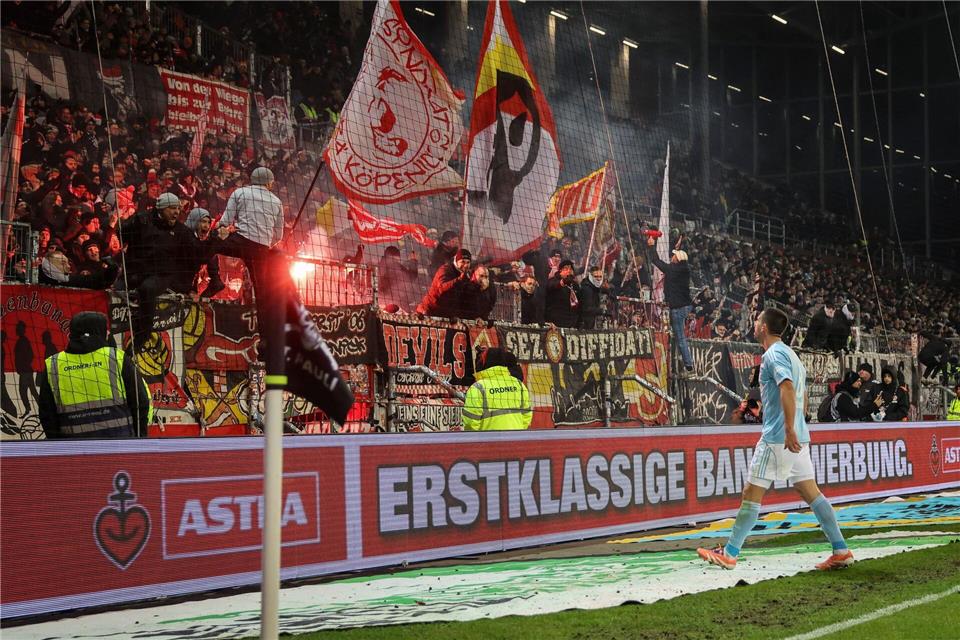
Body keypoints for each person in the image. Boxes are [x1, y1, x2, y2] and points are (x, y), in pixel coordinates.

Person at [698, 308, 854, 571]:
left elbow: (787, 388)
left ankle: (730, 552)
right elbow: (801, 395)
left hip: (778, 437)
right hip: (797, 437)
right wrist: (796, 427)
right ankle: (840, 550)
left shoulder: (773, 354)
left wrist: (788, 429)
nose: (754, 323)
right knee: (810, 492)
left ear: (764, 327)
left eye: (757, 319)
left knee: (752, 493)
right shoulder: (791, 354)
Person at [37, 311, 152, 438]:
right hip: (120, 444)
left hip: (75, 447)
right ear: (100, 332)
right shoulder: (116, 357)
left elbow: (47, 415)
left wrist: (60, 445)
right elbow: (140, 402)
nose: (108, 334)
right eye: (106, 330)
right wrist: (139, 438)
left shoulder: (54, 364)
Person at [121, 192, 210, 345]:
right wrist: (130, 225)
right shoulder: (142, 220)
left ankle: (143, 335)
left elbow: (199, 254)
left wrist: (215, 240)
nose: (176, 212)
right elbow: (122, 235)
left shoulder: (181, 231)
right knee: (117, 288)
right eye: (172, 208)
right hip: (136, 271)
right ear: (161, 208)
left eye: (178, 208)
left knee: (147, 289)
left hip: (161, 275)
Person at [645, 235, 694, 372]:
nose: (671, 257)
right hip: (686, 306)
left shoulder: (673, 270)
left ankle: (688, 364)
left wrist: (651, 246)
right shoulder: (684, 269)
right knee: (677, 334)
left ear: (677, 260)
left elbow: (656, 261)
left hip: (678, 308)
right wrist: (677, 246)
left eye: (674, 256)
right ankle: (678, 358)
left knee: (680, 337)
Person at [462, 348, 532, 431]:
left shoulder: (478, 387)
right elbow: (527, 416)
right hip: (516, 437)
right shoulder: (518, 384)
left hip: (489, 438)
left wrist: (478, 437)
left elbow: (470, 423)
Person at [417, 248, 473, 319]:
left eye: (468, 262)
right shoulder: (445, 269)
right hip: (429, 311)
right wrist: (459, 280)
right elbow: (442, 288)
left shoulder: (466, 275)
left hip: (444, 313)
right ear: (456, 261)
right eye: (463, 262)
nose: (465, 265)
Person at [544, 259, 580, 328]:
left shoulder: (575, 285)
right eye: (566, 269)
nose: (569, 271)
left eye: (571, 269)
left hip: (572, 322)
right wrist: (563, 282)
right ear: (560, 270)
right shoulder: (553, 280)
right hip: (556, 322)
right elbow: (553, 286)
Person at [579, 264, 610, 329]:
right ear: (590, 276)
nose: (598, 279)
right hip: (585, 324)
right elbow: (587, 309)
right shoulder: (587, 289)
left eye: (600, 276)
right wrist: (602, 311)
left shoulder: (594, 287)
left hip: (591, 322)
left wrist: (608, 291)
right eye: (596, 276)